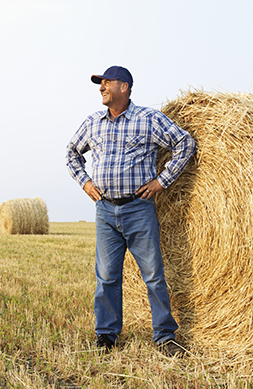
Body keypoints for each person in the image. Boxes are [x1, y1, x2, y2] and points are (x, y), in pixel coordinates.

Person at [66, 65, 196, 357]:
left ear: (123, 87)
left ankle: (164, 336)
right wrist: (85, 183)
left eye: (106, 82)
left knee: (153, 275)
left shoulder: (147, 119)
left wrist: (162, 181)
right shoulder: (92, 123)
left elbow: (185, 143)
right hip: (105, 211)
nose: (101, 87)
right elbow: (71, 153)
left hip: (139, 209)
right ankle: (107, 335)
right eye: (100, 84)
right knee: (107, 277)